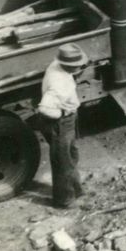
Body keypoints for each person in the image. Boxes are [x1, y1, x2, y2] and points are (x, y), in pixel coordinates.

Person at [37, 44, 87, 208]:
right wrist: (60, 115)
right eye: (77, 65)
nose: (80, 67)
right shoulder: (58, 83)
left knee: (71, 154)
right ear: (68, 65)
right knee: (63, 161)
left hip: (67, 118)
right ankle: (64, 200)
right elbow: (44, 108)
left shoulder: (57, 65)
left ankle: (76, 189)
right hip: (60, 122)